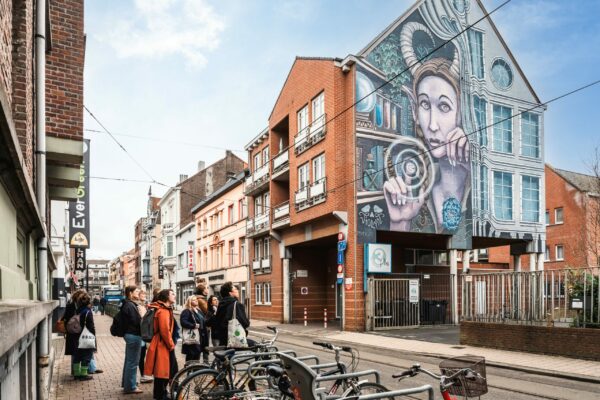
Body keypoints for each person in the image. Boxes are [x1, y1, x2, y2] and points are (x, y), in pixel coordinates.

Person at [383, 22, 470, 234]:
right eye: (424, 104)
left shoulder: (485, 186)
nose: (431, 125)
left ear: (463, 113)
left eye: (444, 106)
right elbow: (400, 251)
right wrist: (400, 222)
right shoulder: (418, 193)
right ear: (415, 110)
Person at [144, 289, 178, 400]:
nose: (174, 295)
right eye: (172, 294)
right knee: (163, 370)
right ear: (166, 297)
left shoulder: (163, 309)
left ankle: (160, 394)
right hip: (162, 344)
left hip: (161, 342)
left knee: (163, 369)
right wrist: (171, 345)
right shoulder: (163, 311)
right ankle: (161, 395)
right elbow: (164, 331)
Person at [212, 282, 252, 348]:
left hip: (223, 339)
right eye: (235, 289)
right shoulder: (237, 305)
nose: (238, 290)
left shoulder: (220, 305)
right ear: (230, 293)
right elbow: (245, 323)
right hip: (235, 339)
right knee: (257, 346)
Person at [121, 285, 144, 394]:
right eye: (136, 291)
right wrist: (143, 315)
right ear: (130, 293)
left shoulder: (127, 304)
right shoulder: (130, 305)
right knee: (133, 362)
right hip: (134, 335)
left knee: (129, 361)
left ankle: (127, 383)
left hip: (130, 334)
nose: (138, 293)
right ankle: (130, 387)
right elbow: (136, 322)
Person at [62, 289, 86, 377]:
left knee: (74, 352)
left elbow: (65, 318)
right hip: (78, 332)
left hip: (72, 332)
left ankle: (75, 372)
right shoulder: (82, 306)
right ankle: (79, 373)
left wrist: (66, 330)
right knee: (80, 352)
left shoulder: (70, 306)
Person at [72, 293, 95, 381]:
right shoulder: (88, 312)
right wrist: (93, 337)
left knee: (77, 355)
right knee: (87, 355)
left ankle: (76, 374)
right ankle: (83, 375)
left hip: (76, 335)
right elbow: (91, 327)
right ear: (89, 302)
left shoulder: (77, 310)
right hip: (86, 336)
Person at [180, 295, 204, 362]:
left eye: (196, 299)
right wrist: (193, 325)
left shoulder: (198, 311)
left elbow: (203, 321)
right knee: (191, 356)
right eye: (193, 300)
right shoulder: (187, 311)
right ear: (189, 302)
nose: (196, 300)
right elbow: (183, 322)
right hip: (192, 336)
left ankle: (195, 368)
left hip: (199, 336)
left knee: (197, 356)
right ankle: (189, 368)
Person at [137, 290, 153, 384]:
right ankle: (143, 374)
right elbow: (143, 317)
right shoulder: (138, 306)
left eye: (144, 294)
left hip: (147, 333)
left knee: (149, 355)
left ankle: (148, 373)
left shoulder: (147, 305)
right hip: (141, 334)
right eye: (142, 294)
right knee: (142, 355)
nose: (144, 296)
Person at [194, 283, 209, 362]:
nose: (207, 289)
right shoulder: (201, 300)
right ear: (203, 291)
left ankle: (199, 363)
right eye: (206, 288)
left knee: (201, 344)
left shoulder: (199, 298)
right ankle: (205, 363)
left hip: (202, 324)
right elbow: (207, 311)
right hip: (204, 325)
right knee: (205, 345)